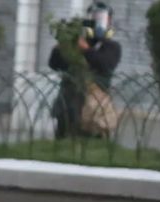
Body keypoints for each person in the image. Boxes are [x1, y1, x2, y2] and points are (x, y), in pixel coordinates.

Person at [48, 1, 123, 139]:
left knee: (92, 141)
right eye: (94, 18)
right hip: (69, 102)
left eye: (101, 18)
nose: (97, 22)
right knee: (64, 139)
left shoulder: (112, 47)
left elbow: (104, 64)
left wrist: (86, 50)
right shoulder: (76, 44)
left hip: (93, 106)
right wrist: (60, 48)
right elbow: (55, 64)